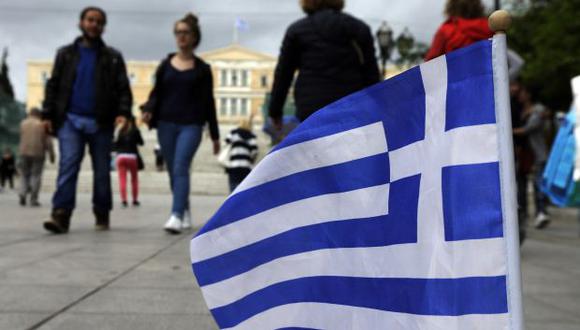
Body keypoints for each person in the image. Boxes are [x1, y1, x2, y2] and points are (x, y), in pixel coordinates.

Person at [41, 6, 133, 234]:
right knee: (68, 166)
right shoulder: (65, 54)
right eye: (90, 20)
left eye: (99, 21)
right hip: (70, 120)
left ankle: (102, 212)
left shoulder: (113, 57)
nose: (94, 24)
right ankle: (61, 214)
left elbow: (123, 88)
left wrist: (123, 111)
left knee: (102, 170)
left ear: (103, 27)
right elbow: (53, 85)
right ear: (81, 23)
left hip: (101, 122)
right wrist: (47, 114)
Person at [142, 13, 220, 234]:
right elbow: (156, 94)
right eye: (178, 32)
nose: (181, 36)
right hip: (166, 123)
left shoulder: (202, 69)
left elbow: (209, 102)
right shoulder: (165, 65)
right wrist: (148, 110)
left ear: (195, 36)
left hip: (192, 125)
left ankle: (175, 215)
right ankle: (184, 210)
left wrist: (214, 135)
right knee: (172, 172)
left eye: (186, 32)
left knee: (180, 166)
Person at [268, 0, 380, 127]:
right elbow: (371, 75)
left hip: (311, 108)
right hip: (350, 105)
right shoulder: (359, 29)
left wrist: (275, 112)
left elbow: (283, 75)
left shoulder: (296, 31)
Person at [514, 86, 550, 229]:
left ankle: (541, 213)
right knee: (527, 185)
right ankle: (531, 215)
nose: (519, 95)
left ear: (528, 94)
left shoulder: (538, 110)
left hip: (537, 154)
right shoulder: (522, 109)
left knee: (538, 185)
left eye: (522, 93)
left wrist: (508, 130)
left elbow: (529, 128)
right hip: (526, 154)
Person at [424, 0, 493, 61]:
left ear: (451, 6)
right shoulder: (490, 27)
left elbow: (430, 66)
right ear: (478, 6)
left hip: (456, 74)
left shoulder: (445, 30)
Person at [18, 108, 55, 206]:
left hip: (23, 152)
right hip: (38, 153)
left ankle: (22, 193)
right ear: (39, 115)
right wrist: (52, 155)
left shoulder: (23, 123)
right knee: (36, 175)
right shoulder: (43, 124)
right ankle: (33, 199)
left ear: (30, 114)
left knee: (24, 175)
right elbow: (48, 141)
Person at [113, 117, 144, 207]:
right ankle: (134, 200)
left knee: (122, 179)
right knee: (134, 179)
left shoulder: (120, 131)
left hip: (121, 157)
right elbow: (141, 143)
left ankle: (124, 200)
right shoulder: (135, 131)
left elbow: (115, 144)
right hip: (132, 157)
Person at [224, 118, 258, 192]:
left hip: (233, 166)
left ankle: (232, 203)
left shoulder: (233, 133)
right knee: (243, 190)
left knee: (232, 190)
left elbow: (226, 142)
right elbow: (254, 152)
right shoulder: (251, 136)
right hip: (246, 167)